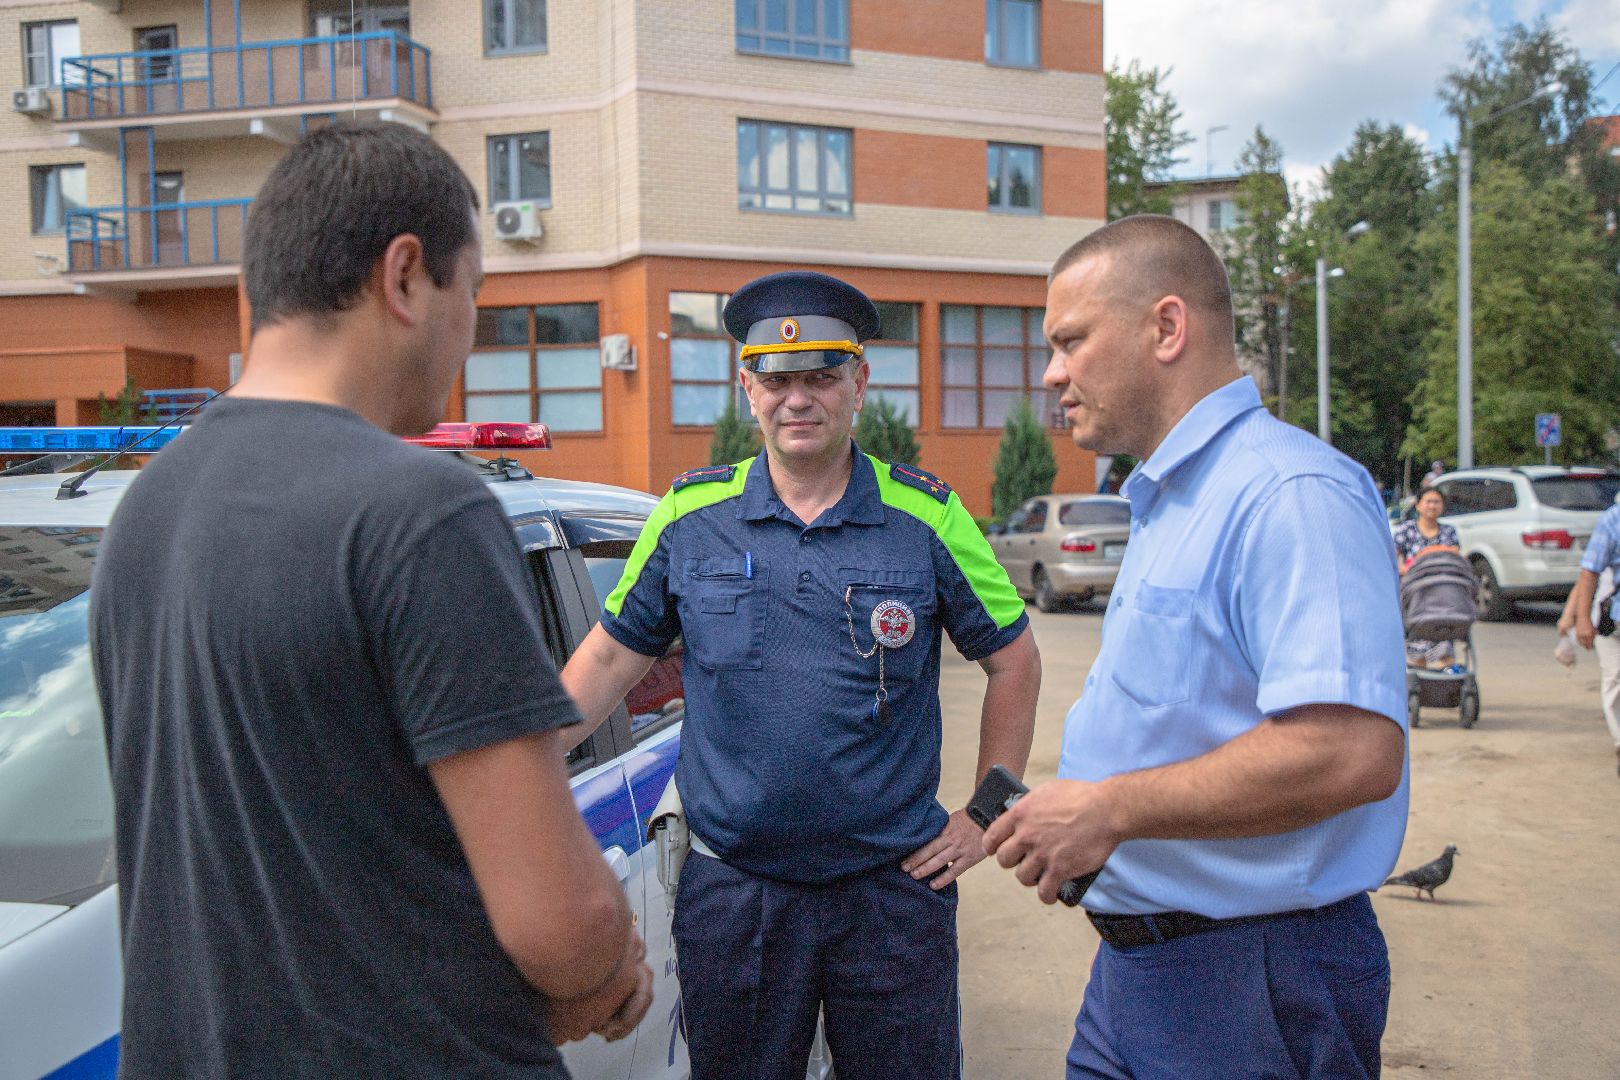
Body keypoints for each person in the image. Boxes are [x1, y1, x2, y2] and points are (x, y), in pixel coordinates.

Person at [89, 122, 650, 1078]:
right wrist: (610, 970)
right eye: (471, 292)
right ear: (404, 276)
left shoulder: (146, 509)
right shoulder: (419, 511)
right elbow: (563, 922)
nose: (468, 332)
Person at [560, 270, 1041, 1080]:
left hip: (893, 893)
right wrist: (508, 766)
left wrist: (987, 813)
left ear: (860, 381)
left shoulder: (927, 518)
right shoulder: (688, 517)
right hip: (735, 896)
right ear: (747, 387)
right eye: (777, 379)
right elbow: (609, 657)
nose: (799, 398)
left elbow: (1014, 660)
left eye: (821, 376)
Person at [982, 215, 1408, 1080]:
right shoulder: (1175, 495)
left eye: (1070, 341)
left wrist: (1109, 810)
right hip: (1141, 969)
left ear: (1167, 328)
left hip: (1254, 977)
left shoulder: (1290, 493)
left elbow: (1353, 752)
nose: (1051, 373)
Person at [1562, 496, 1620, 776]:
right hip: (1615, 619)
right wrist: (1581, 619)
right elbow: (1589, 572)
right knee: (1615, 678)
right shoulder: (1613, 519)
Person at [1392, 485, 1463, 667]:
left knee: (1445, 648)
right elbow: (1392, 556)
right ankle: (1419, 683)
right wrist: (1404, 570)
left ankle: (1448, 686)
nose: (1432, 506)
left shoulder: (1448, 532)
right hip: (1416, 593)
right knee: (1417, 651)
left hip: (1443, 594)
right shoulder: (1407, 529)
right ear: (1418, 505)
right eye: (1428, 501)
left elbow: (1454, 555)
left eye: (1436, 502)